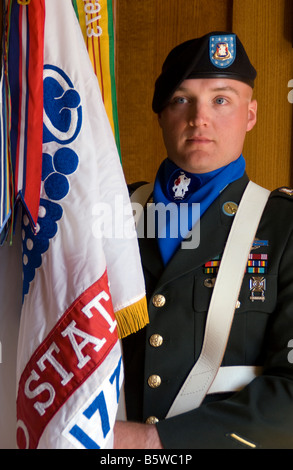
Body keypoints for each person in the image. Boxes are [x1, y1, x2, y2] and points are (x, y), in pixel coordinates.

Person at [114, 31, 293, 449]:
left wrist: (154, 442)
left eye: (221, 99)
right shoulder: (109, 215)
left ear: (250, 114)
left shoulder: (284, 228)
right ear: (160, 113)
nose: (199, 117)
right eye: (181, 99)